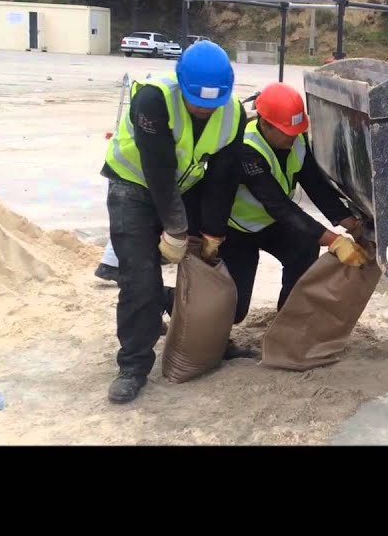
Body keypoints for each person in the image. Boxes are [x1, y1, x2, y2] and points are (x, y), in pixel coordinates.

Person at [101, 39, 247, 404]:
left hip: (184, 186)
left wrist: (212, 231)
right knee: (139, 277)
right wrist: (177, 229)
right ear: (181, 83)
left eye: (212, 103)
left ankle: (202, 336)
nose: (204, 109)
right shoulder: (153, 100)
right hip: (133, 188)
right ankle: (133, 365)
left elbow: (223, 176)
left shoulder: (232, 113)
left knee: (203, 267)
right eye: (197, 100)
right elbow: (158, 170)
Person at [220, 82, 369, 327]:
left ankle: (287, 323)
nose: (293, 135)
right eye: (287, 131)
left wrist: (351, 225)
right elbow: (279, 205)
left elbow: (317, 188)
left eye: (296, 130)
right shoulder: (247, 150)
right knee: (234, 310)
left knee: (305, 247)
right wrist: (335, 241)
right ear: (265, 124)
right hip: (238, 232)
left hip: (271, 226)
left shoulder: (295, 139)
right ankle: (167, 299)